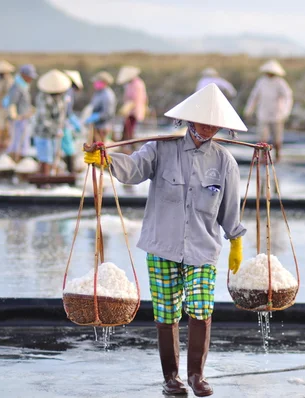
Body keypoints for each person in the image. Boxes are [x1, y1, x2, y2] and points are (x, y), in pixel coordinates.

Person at [83, 83, 247, 397]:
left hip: (202, 248)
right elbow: (132, 169)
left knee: (200, 308)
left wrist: (235, 240)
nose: (208, 126)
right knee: (166, 312)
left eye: (215, 122)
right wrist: (106, 159)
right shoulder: (160, 149)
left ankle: (197, 376)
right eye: (202, 119)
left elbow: (228, 210)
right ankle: (171, 378)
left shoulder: (225, 162)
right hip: (162, 245)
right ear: (188, 119)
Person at [244, 59, 293, 163]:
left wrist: (285, 111)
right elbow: (254, 96)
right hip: (263, 114)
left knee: (277, 139)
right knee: (262, 138)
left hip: (277, 114)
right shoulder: (261, 81)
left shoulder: (280, 83)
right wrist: (249, 110)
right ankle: (262, 158)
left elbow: (288, 97)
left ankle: (277, 158)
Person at [33, 69, 70, 179]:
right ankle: (45, 180)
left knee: (52, 156)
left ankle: (48, 177)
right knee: (45, 158)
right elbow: (45, 119)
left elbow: (60, 115)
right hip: (43, 132)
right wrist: (55, 130)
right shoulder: (43, 98)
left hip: (53, 133)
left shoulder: (59, 97)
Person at [6, 64, 37, 162]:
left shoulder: (24, 86)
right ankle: (15, 160)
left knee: (24, 141)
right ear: (24, 75)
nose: (31, 79)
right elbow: (12, 102)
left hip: (25, 117)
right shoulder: (17, 86)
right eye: (30, 76)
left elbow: (24, 102)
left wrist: (30, 109)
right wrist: (14, 115)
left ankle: (21, 160)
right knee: (17, 141)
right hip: (18, 119)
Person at [116, 65, 147, 151]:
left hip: (134, 109)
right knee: (126, 127)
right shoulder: (130, 84)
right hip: (130, 109)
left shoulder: (137, 84)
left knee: (130, 127)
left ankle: (130, 146)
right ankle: (125, 144)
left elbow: (136, 99)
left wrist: (128, 108)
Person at [62, 70, 83, 173]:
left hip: (64, 122)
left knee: (67, 146)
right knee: (68, 146)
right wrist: (72, 120)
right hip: (63, 122)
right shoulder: (68, 91)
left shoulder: (66, 90)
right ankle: (70, 170)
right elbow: (67, 110)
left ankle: (69, 169)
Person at [85, 71, 116, 143]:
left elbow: (108, 113)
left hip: (103, 128)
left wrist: (97, 117)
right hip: (96, 127)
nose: (95, 83)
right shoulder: (98, 93)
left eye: (97, 81)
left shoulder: (108, 95)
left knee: (101, 150)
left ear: (104, 82)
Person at [0, 60, 14, 152]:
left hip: (5, 107)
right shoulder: (0, 80)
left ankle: (2, 144)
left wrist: (6, 102)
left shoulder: (9, 81)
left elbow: (9, 93)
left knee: (4, 126)